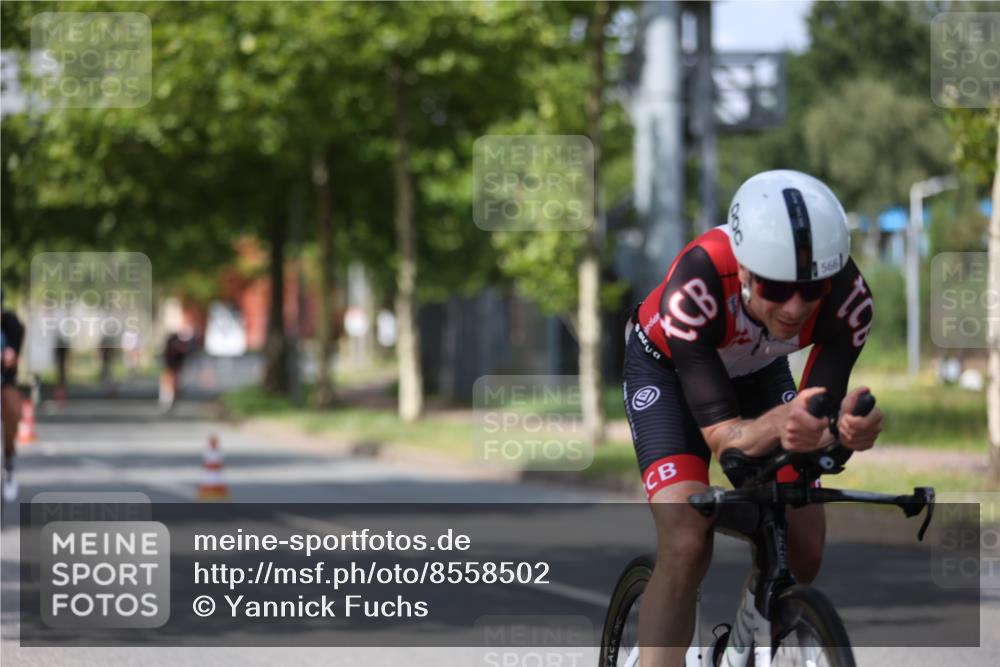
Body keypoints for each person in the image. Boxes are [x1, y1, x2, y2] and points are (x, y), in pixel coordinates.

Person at [622, 170, 883, 666]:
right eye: (777, 287)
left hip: (759, 372)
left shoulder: (850, 301)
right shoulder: (696, 283)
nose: (795, 306)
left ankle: (743, 646)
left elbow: (817, 408)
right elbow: (727, 442)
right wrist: (779, 423)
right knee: (686, 540)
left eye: (813, 289)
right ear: (743, 270)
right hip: (669, 373)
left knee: (804, 544)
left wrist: (842, 430)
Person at [1, 289, 25, 502]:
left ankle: (8, 456)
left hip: (4, 380)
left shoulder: (12, 324)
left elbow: (14, 356)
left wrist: (11, 355)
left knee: (13, 408)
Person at [159, 326, 194, 412]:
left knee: (175, 383)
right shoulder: (172, 345)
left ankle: (170, 399)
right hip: (170, 365)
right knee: (168, 383)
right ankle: (166, 399)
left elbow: (183, 359)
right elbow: (167, 358)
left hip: (176, 365)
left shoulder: (182, 348)